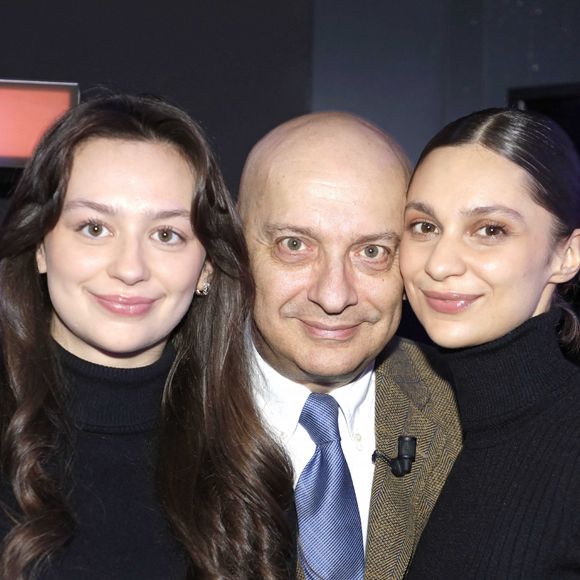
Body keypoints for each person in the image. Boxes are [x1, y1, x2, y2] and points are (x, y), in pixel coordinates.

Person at [0, 93, 294, 580]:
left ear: (205, 268)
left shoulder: (250, 471)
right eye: (94, 227)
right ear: (40, 247)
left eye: (166, 235)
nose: (130, 268)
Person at [238, 111, 462, 579]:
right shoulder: (157, 413)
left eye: (372, 252)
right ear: (235, 249)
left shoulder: (470, 416)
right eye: (294, 245)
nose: (334, 295)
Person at [400, 108, 580, 578]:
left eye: (490, 230)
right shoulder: (415, 420)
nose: (439, 264)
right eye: (424, 226)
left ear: (567, 254)